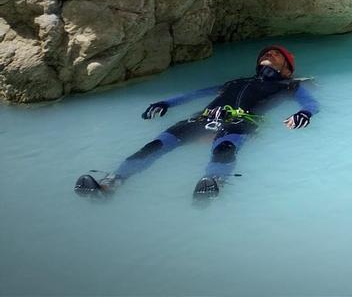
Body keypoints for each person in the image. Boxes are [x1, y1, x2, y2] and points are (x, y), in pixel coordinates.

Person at [74, 45, 319, 203]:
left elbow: (311, 104)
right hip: (202, 118)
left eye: (275, 55)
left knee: (225, 148)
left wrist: (304, 115)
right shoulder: (235, 82)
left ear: (287, 70)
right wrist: (166, 103)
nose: (268, 55)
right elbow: (197, 93)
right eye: (265, 54)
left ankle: (214, 182)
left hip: (239, 122)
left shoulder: (288, 85)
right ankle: (110, 183)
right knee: (156, 145)